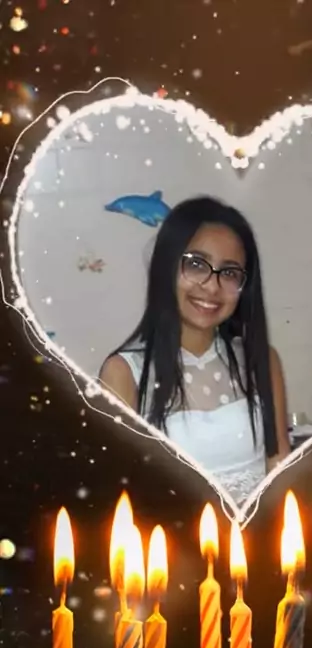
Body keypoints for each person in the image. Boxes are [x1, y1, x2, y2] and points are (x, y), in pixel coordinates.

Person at [99, 195, 291, 503]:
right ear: (166, 267)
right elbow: (120, 494)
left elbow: (278, 463)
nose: (212, 287)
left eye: (230, 273)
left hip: (255, 531)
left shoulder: (262, 359)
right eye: (196, 264)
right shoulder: (123, 373)